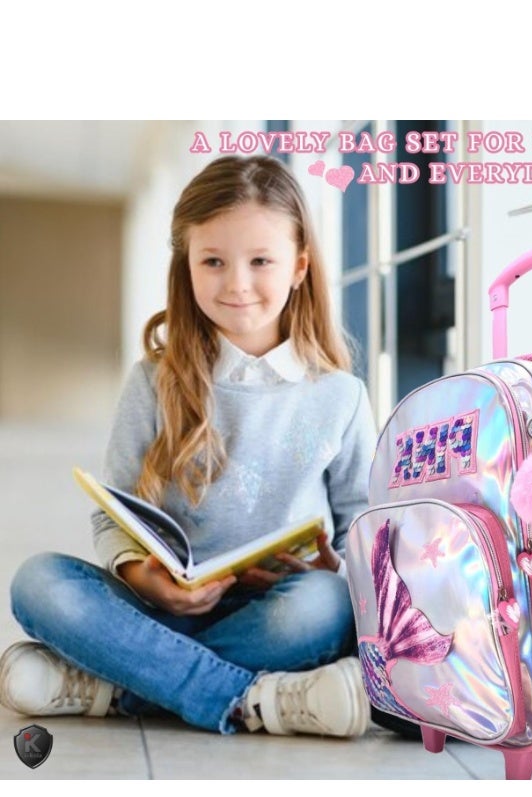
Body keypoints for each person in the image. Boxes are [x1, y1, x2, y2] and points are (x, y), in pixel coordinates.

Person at [0, 154, 378, 739]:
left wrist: (334, 564)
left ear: (299, 266)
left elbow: (363, 526)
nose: (237, 284)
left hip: (276, 609)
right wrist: (144, 578)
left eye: (261, 261)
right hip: (156, 608)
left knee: (328, 606)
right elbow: (113, 514)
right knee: (37, 582)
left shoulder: (341, 396)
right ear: (188, 267)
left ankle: (118, 684)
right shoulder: (153, 379)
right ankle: (249, 698)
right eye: (213, 261)